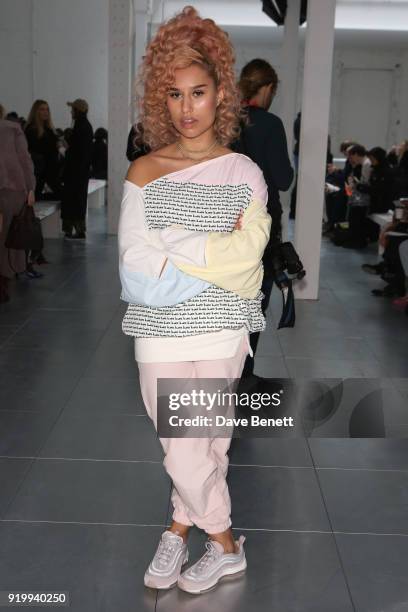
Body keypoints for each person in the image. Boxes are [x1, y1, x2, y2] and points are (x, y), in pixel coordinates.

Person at [118, 6, 271, 595]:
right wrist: (212, 251)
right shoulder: (143, 171)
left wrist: (173, 246)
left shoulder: (245, 173)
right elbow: (137, 274)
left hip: (223, 329)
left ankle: (181, 528)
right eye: (175, 94)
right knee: (182, 446)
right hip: (158, 332)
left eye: (199, 92)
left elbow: (248, 262)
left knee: (208, 442)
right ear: (163, 99)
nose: (187, 108)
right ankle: (227, 542)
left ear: (220, 95)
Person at [231, 58, 293, 376]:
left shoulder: (225, 121)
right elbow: (283, 179)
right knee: (255, 302)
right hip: (261, 226)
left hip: (226, 223)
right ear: (267, 88)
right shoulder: (271, 125)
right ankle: (245, 373)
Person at [0, 104, 36, 302]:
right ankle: (5, 279)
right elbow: (25, 160)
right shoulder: (13, 130)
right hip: (13, 189)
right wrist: (31, 187)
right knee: (9, 234)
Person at [61, 99, 93, 238]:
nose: (71, 112)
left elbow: (76, 151)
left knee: (72, 201)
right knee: (78, 201)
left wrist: (66, 149)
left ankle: (74, 230)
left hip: (75, 172)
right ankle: (78, 229)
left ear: (77, 110)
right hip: (81, 172)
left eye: (73, 109)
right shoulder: (85, 125)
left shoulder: (80, 126)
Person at [25, 100, 61, 201]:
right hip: (40, 172)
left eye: (47, 109)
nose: (46, 112)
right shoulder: (31, 130)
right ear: (36, 112)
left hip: (50, 171)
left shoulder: (49, 129)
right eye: (42, 109)